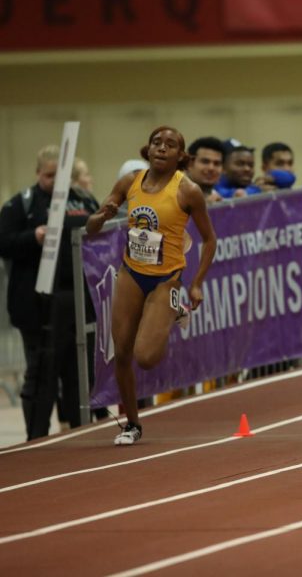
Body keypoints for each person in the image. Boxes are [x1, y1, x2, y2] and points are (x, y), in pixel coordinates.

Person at [86, 126, 217, 445]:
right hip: (131, 272)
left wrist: (197, 284)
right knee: (122, 353)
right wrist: (102, 215)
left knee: (145, 357)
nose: (161, 148)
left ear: (180, 156)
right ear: (148, 149)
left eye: (170, 145)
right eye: (156, 143)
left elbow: (210, 240)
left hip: (166, 278)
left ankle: (174, 309)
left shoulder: (187, 191)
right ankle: (131, 424)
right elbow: (91, 228)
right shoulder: (130, 181)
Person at [0, 145, 100, 439]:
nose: (56, 181)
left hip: (80, 301)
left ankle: (81, 432)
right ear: (37, 173)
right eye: (49, 175)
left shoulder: (83, 200)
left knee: (79, 374)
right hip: (37, 305)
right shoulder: (22, 204)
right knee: (43, 374)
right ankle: (37, 438)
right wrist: (33, 236)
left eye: (62, 175)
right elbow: (2, 241)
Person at [186, 136, 225, 203]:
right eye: (205, 161)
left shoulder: (219, 199)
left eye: (217, 163)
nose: (211, 168)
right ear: (189, 164)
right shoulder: (171, 195)